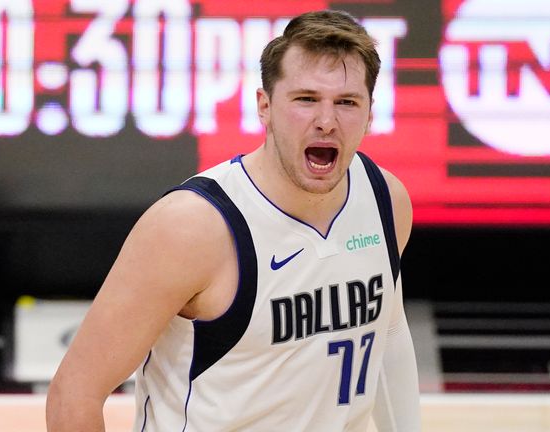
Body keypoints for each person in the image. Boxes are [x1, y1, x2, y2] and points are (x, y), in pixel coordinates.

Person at [46, 9, 420, 432]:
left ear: (371, 114)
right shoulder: (193, 226)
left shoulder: (385, 199)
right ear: (265, 107)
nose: (326, 121)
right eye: (306, 99)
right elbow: (74, 392)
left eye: (346, 102)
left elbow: (386, 336)